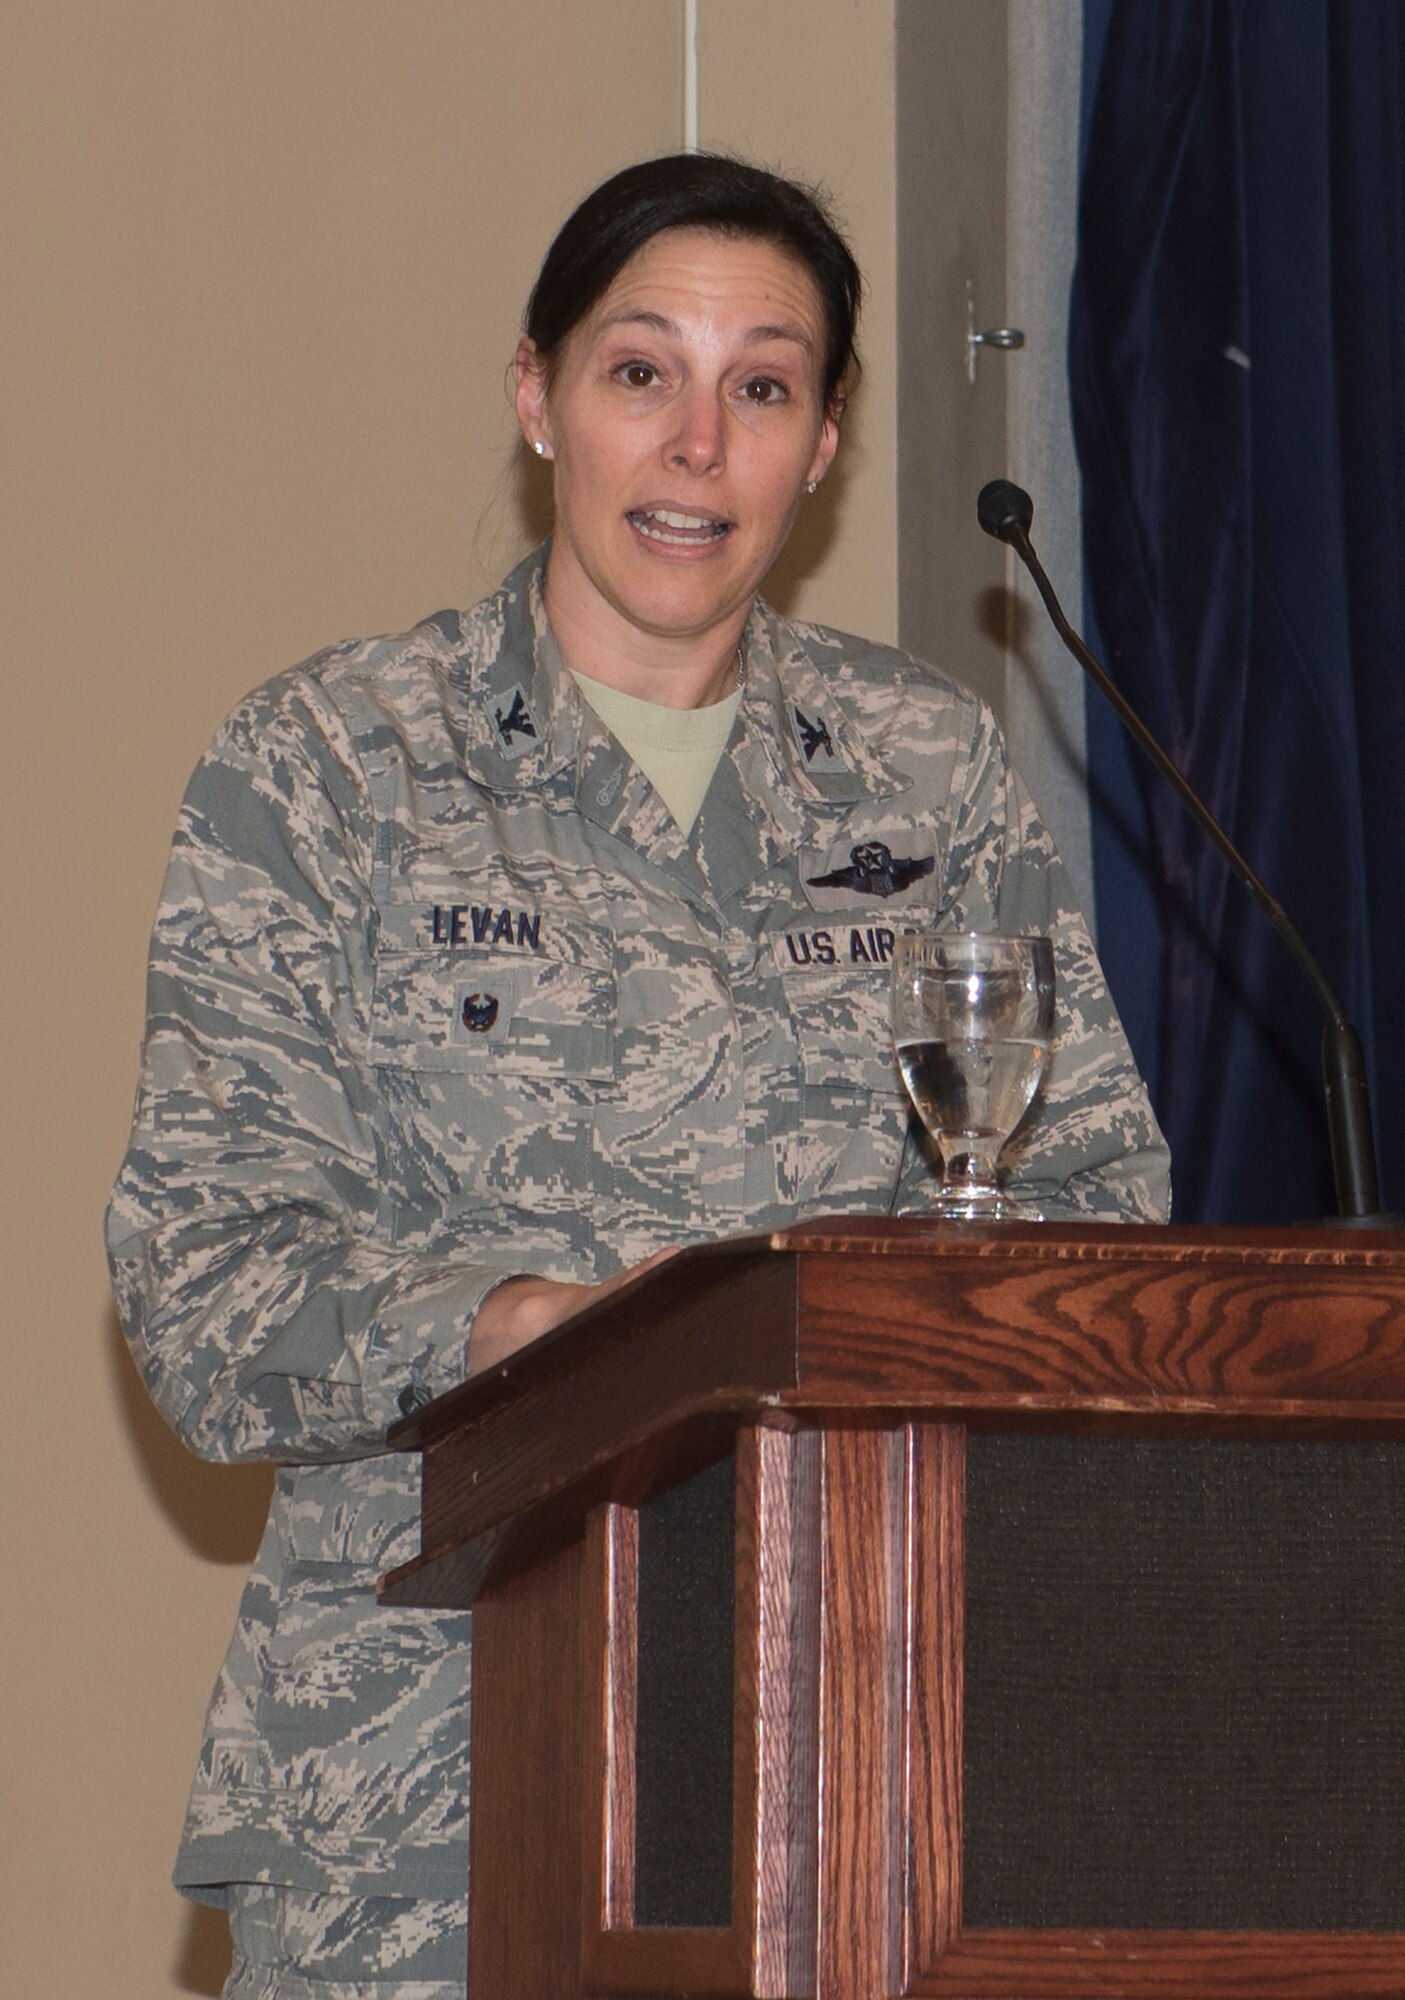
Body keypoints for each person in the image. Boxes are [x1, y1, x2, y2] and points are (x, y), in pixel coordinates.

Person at [107, 152, 1170, 1999]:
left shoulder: (926, 776)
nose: (697, 445)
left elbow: (1090, 1212)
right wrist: (536, 1325)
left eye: (762, 386)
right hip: (425, 1796)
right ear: (536, 398)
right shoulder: (330, 769)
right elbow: (205, 1288)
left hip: (869, 1774)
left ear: (824, 441)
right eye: (638, 373)